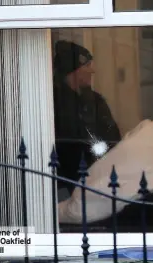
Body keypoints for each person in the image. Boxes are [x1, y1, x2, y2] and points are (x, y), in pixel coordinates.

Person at [52, 40, 121, 197]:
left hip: (98, 179)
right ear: (74, 70)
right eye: (87, 65)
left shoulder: (95, 101)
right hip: (66, 184)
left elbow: (113, 136)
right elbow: (66, 144)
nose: (92, 70)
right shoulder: (54, 104)